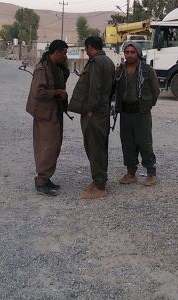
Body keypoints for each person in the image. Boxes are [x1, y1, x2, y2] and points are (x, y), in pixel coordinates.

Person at [68, 36, 115, 200]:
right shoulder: (108, 61)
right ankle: (98, 181)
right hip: (102, 111)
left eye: (86, 49)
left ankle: (100, 186)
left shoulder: (96, 63)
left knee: (94, 148)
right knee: (99, 147)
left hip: (94, 113)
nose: (87, 52)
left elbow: (95, 89)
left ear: (90, 47)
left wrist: (90, 109)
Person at [26, 39, 70, 196]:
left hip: (54, 111)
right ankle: (41, 180)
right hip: (45, 114)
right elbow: (39, 92)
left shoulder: (55, 67)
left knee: (55, 145)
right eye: (63, 53)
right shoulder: (42, 69)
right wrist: (57, 92)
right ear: (56, 52)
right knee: (47, 146)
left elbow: (64, 77)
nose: (65, 56)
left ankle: (46, 177)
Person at [114, 42, 160, 187]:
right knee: (127, 143)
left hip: (141, 113)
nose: (129, 55)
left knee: (144, 142)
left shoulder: (147, 70)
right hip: (126, 113)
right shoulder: (120, 70)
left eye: (132, 52)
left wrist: (147, 105)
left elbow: (155, 91)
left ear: (138, 53)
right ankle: (131, 173)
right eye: (127, 52)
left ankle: (151, 173)